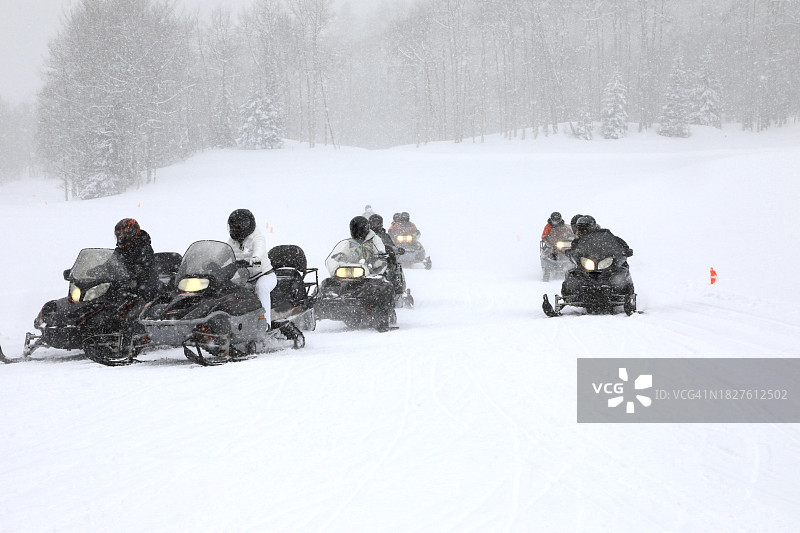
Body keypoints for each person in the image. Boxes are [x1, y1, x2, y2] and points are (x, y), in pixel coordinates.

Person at [324, 216, 395, 327]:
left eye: (360, 228)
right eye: (355, 228)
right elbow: (341, 252)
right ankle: (312, 311)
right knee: (326, 283)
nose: (357, 231)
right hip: (350, 270)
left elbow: (380, 251)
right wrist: (338, 258)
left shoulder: (374, 240)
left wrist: (377, 259)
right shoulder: (349, 242)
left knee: (382, 287)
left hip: (371, 271)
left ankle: (383, 316)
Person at [227, 209, 277, 324]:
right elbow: (225, 252)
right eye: (233, 227)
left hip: (264, 275)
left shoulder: (257, 238)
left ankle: (265, 324)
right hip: (245, 278)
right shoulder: (232, 241)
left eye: (238, 227)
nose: (235, 230)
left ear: (246, 226)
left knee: (261, 288)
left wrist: (255, 258)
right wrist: (215, 262)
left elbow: (259, 249)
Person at [112, 218, 160, 300]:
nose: (121, 239)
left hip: (143, 283)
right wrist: (99, 270)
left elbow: (146, 264)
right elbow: (111, 262)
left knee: (145, 296)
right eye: (119, 236)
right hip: (125, 282)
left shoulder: (144, 247)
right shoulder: (119, 250)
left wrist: (137, 270)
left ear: (132, 234)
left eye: (123, 236)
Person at [369, 214, 406, 295]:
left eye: (377, 223)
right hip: (368, 259)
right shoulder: (365, 236)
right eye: (373, 223)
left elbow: (392, 246)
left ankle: (396, 288)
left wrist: (396, 250)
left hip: (383, 259)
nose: (375, 225)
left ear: (380, 224)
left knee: (393, 268)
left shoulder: (385, 236)